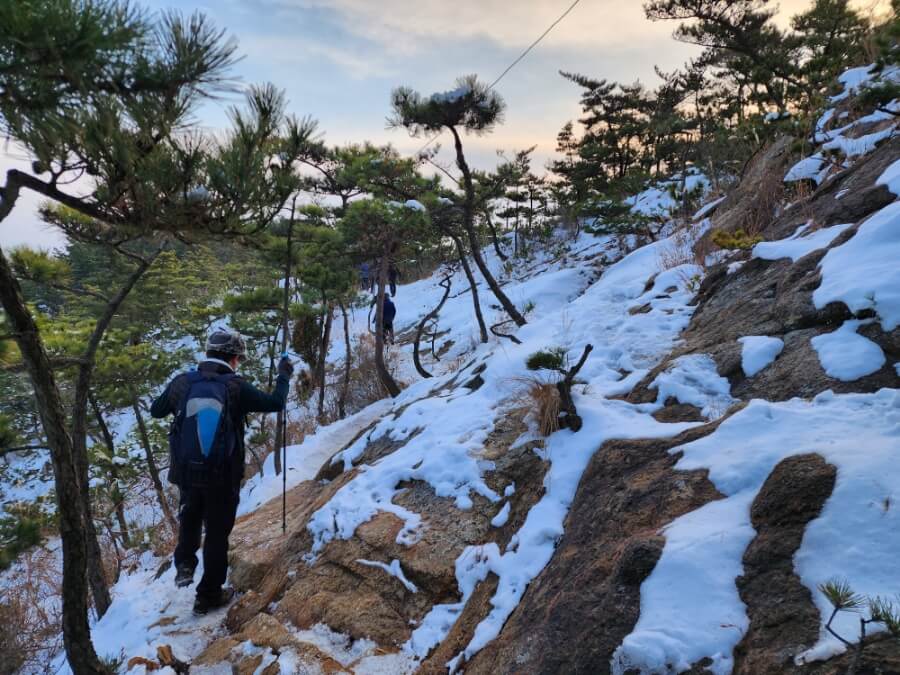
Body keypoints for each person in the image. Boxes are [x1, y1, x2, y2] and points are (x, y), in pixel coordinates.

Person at [150, 328, 294, 615]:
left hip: (188, 472)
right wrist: (283, 376)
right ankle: (208, 595)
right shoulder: (236, 387)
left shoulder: (183, 382)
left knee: (190, 515)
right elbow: (275, 403)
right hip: (223, 475)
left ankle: (185, 564)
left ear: (208, 353)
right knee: (216, 533)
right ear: (234, 358)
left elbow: (156, 410)